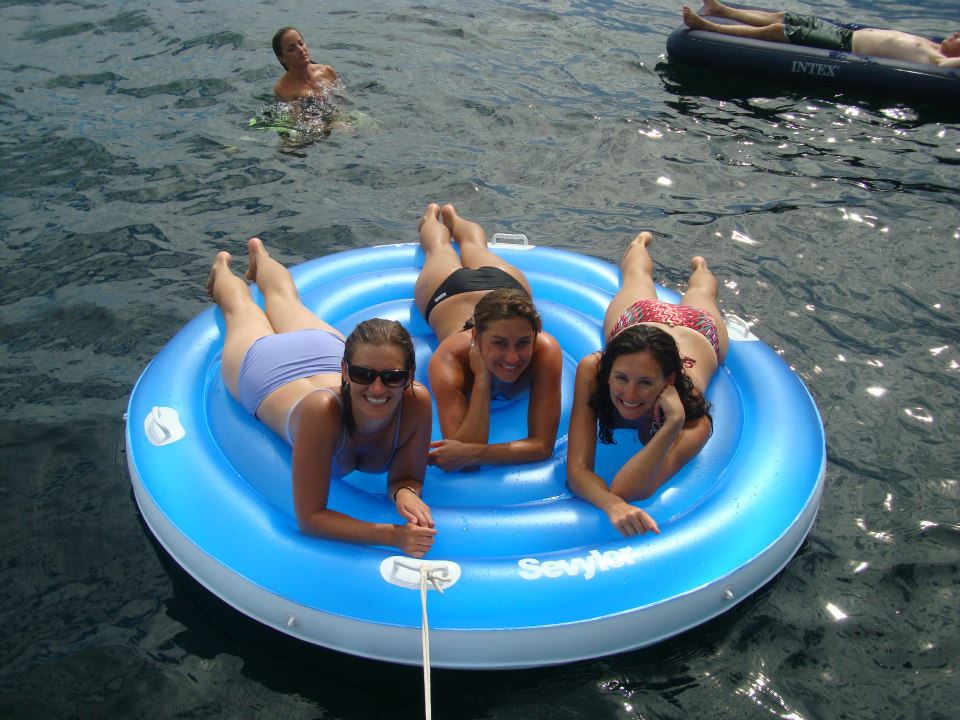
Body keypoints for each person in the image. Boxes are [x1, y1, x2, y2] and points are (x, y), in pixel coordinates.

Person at [206, 238, 436, 557]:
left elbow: (407, 477)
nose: (377, 388)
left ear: (409, 376)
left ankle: (260, 256)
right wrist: (393, 536)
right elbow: (310, 519)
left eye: (393, 377)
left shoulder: (417, 401)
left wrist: (405, 493)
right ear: (346, 369)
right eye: (363, 374)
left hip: (322, 349)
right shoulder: (322, 410)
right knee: (239, 309)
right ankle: (221, 267)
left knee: (285, 298)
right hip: (266, 370)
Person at [566, 232, 729, 537]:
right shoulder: (593, 369)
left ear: (669, 381)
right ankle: (640, 243)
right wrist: (612, 506)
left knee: (702, 292)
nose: (630, 394)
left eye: (645, 383)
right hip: (640, 319)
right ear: (608, 370)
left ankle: (700, 266)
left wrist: (673, 422)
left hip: (698, 328)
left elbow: (628, 489)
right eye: (621, 378)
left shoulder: (694, 418)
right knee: (636, 275)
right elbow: (577, 471)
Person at [413, 203, 563, 472]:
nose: (512, 357)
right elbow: (461, 463)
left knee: (475, 245)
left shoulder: (546, 350)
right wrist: (481, 380)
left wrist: (476, 453)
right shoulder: (449, 359)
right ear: (476, 337)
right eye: (499, 343)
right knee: (437, 248)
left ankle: (453, 217)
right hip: (448, 290)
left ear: (535, 335)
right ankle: (431, 218)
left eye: (523, 343)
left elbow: (542, 446)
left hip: (506, 287)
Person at [682, 1, 960, 67]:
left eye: (959, 38)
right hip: (847, 33)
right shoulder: (934, 46)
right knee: (785, 17)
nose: (954, 34)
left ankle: (708, 27)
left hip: (847, 47)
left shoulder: (937, 61)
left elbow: (951, 65)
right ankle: (721, 8)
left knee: (777, 31)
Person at [271, 27, 340, 101]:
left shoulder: (327, 71)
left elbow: (343, 99)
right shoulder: (283, 89)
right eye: (292, 49)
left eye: (301, 43)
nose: (301, 50)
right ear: (281, 58)